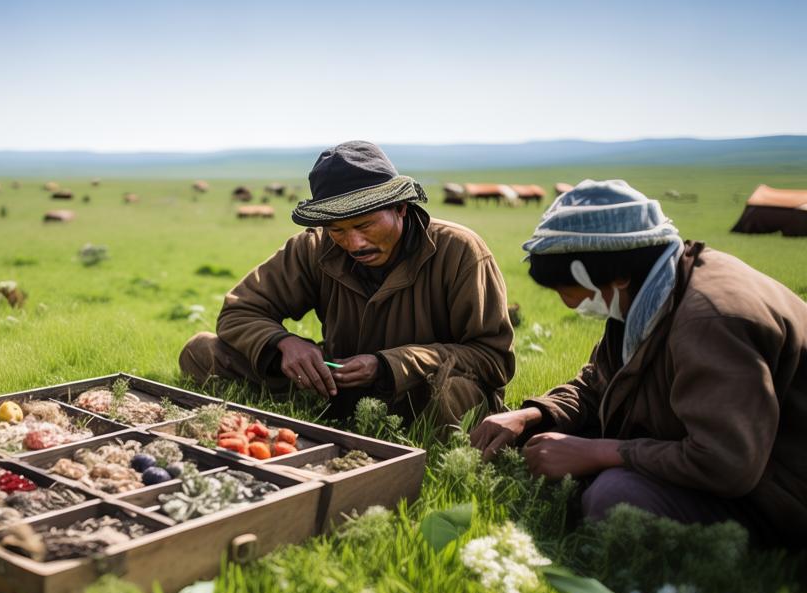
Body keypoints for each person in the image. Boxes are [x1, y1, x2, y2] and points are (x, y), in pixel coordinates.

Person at [469, 179, 807, 547]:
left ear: (618, 274)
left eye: (569, 288)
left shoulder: (711, 321)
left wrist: (598, 452)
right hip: (714, 462)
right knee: (536, 442)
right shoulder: (646, 295)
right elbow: (598, 385)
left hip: (776, 494)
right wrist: (532, 416)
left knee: (614, 495)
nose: (568, 303)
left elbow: (727, 462)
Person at [179, 141, 515, 427]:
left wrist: (388, 365)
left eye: (365, 225)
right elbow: (238, 312)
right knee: (202, 351)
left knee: (454, 394)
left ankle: (415, 449)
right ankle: (307, 414)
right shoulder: (313, 247)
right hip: (335, 387)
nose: (354, 244)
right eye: (337, 231)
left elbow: (492, 359)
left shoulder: (460, 251)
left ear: (400, 208)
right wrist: (283, 343)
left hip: (416, 394)